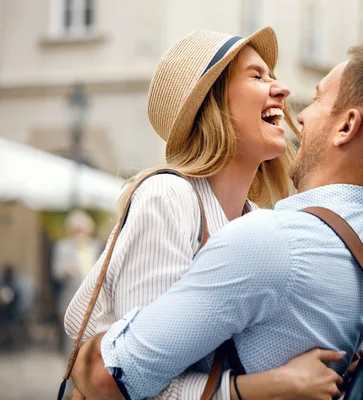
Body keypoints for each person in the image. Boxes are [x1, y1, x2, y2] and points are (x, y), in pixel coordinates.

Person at [70, 39, 363, 400]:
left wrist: (85, 362)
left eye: (317, 99)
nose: (296, 110)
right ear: (214, 105)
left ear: (347, 126)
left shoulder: (271, 240)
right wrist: (258, 387)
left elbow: (110, 374)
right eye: (258, 75)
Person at [64, 27, 344, 400]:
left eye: (272, 76)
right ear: (213, 103)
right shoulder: (168, 198)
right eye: (257, 76)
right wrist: (278, 385)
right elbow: (135, 386)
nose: (281, 89)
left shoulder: (254, 221)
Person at [53, 210, 102, 354]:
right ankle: (70, 375)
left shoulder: (97, 246)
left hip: (95, 302)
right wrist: (66, 270)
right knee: (71, 345)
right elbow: (56, 272)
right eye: (76, 230)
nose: (79, 233)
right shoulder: (63, 247)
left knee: (92, 344)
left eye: (82, 229)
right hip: (71, 301)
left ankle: (87, 375)